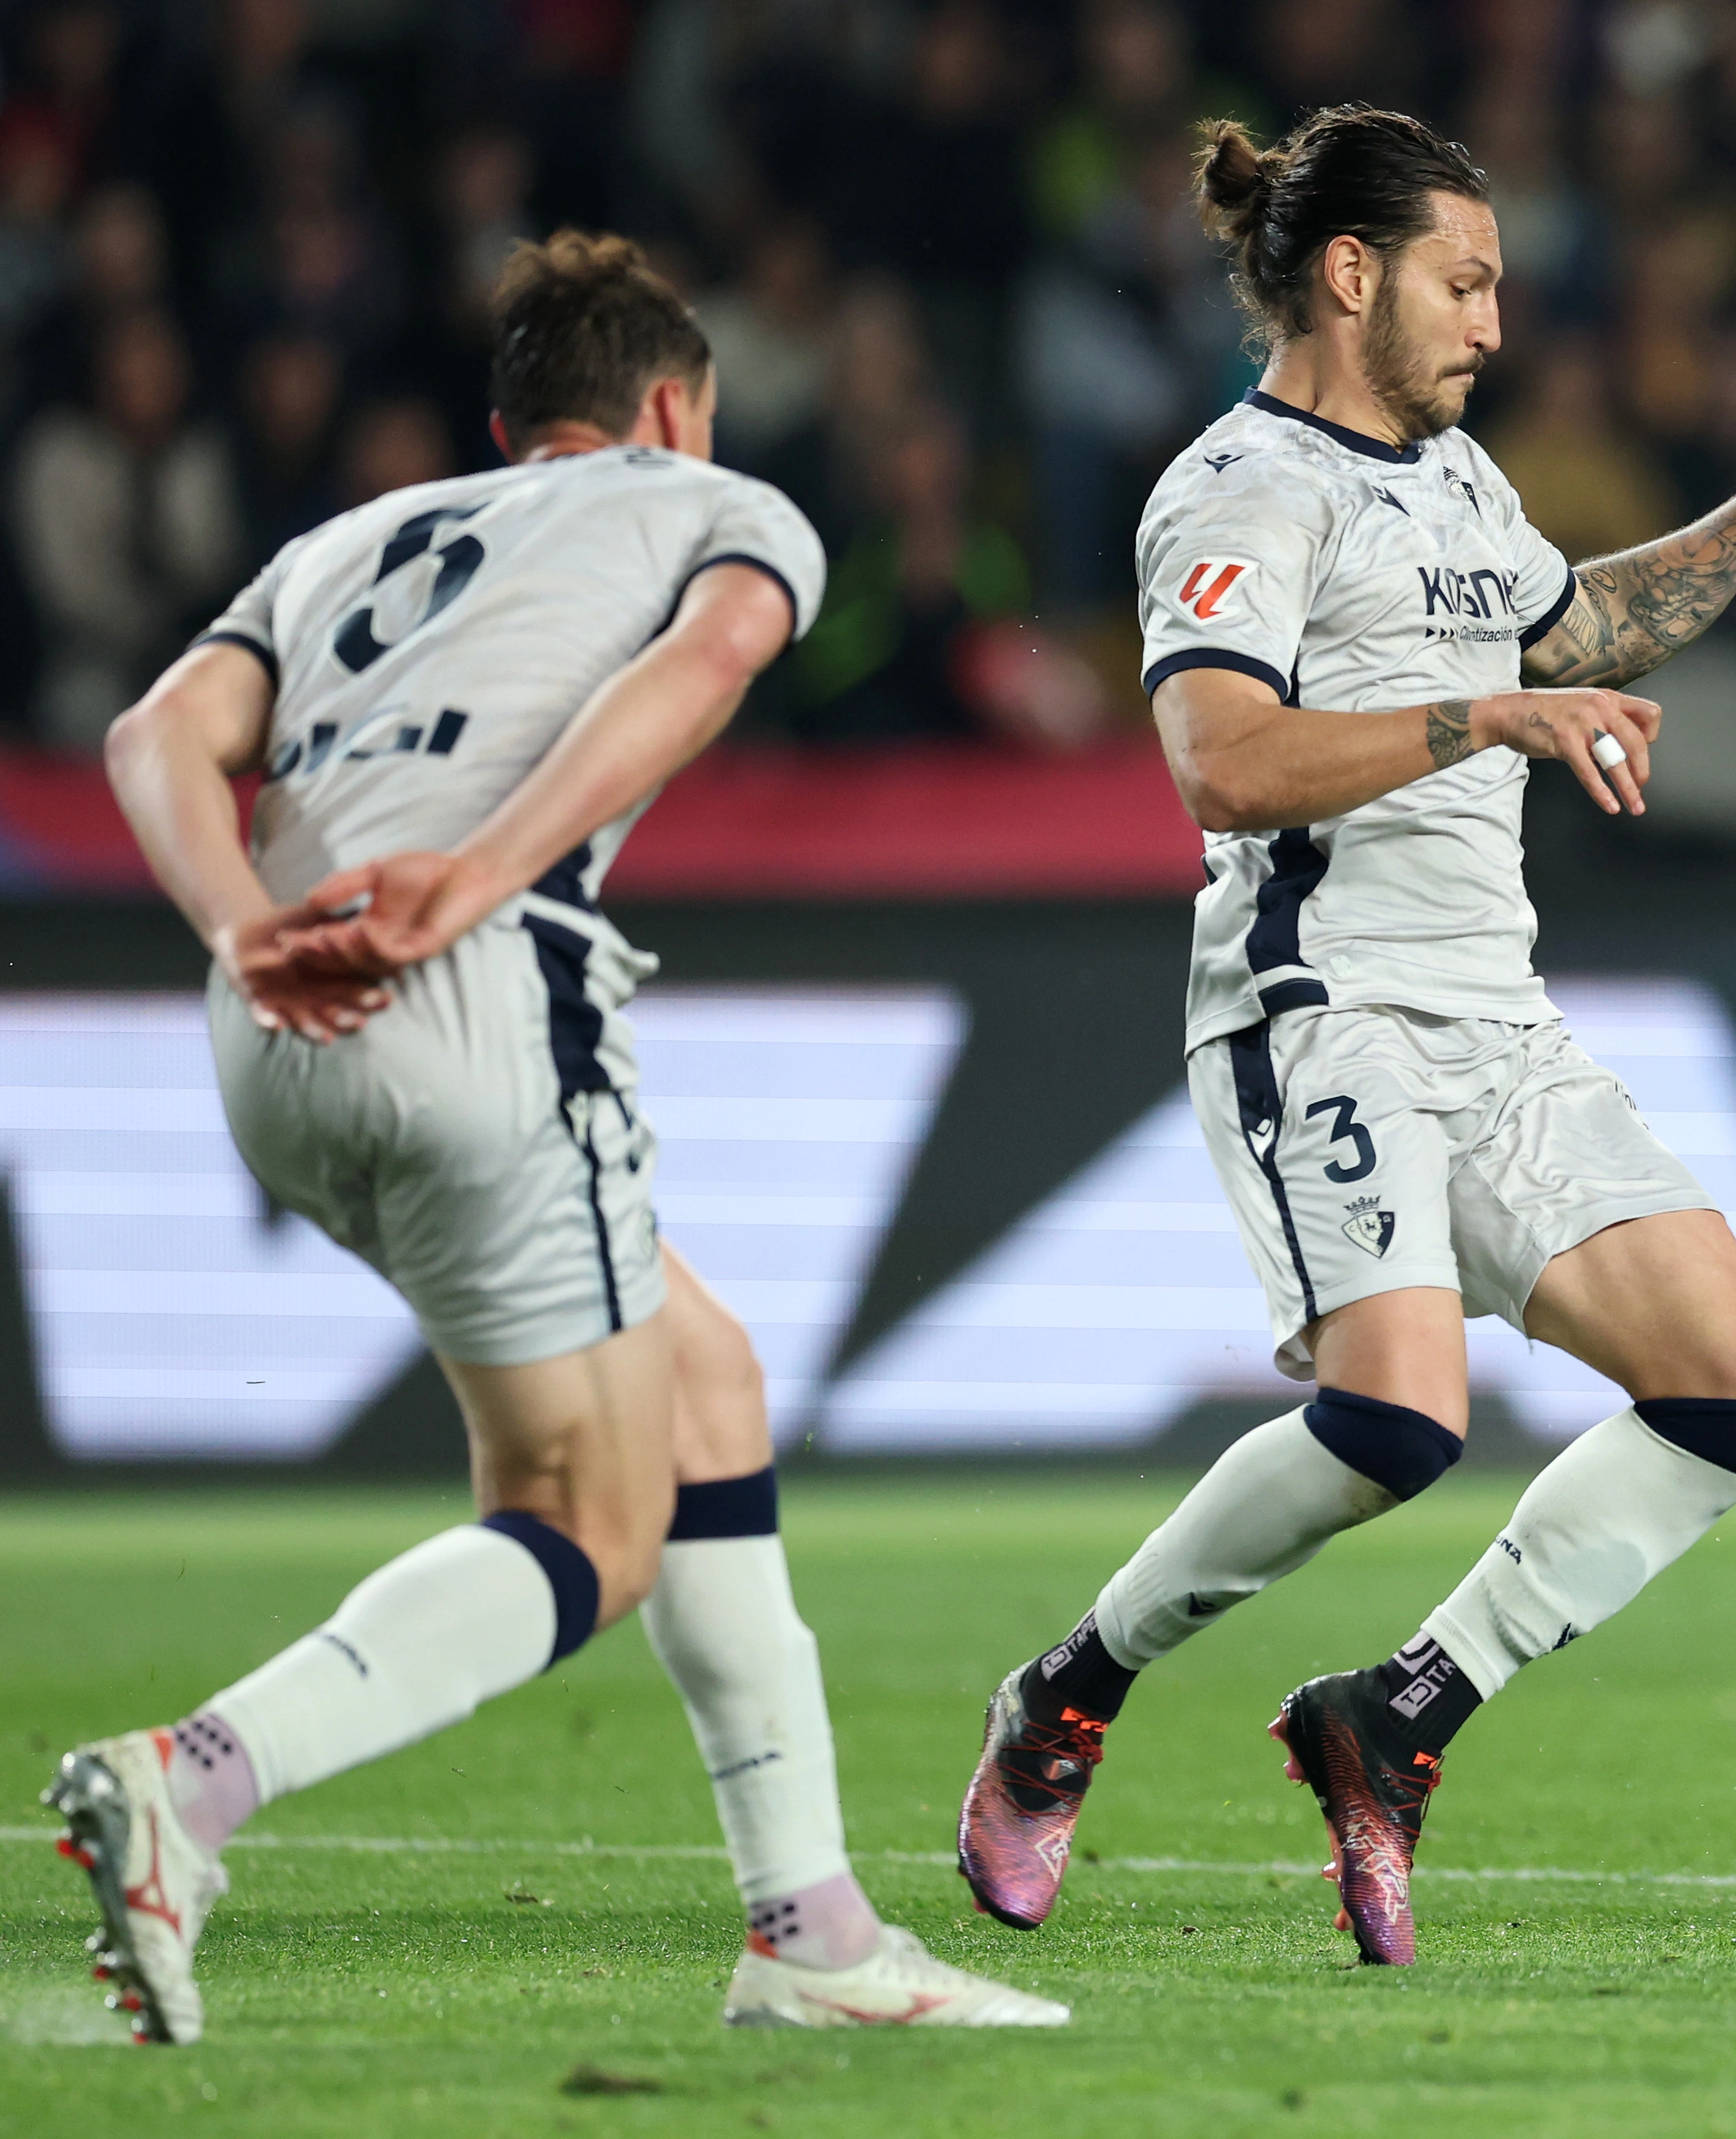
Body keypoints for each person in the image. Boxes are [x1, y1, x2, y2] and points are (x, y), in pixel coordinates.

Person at [955, 105, 1736, 1967]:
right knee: (1400, 1417)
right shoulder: (1240, 489)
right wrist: (1472, 719)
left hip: (1495, 1014)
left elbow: (1584, 632)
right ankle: (1067, 1694)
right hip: (1317, 1004)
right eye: (1463, 282)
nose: (1495, 322)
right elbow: (1221, 763)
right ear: (1351, 274)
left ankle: (1399, 1712)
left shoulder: (1458, 480)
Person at [53, 232, 1061, 2039]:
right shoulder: (713, 502)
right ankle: (186, 1784)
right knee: (588, 1522)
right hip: (476, 986)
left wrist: (233, 926)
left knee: (708, 1389)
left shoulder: (342, 546)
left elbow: (152, 736)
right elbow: (716, 658)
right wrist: (475, 879)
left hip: (268, 1019)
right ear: (672, 405)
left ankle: (809, 1931)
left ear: (510, 424)